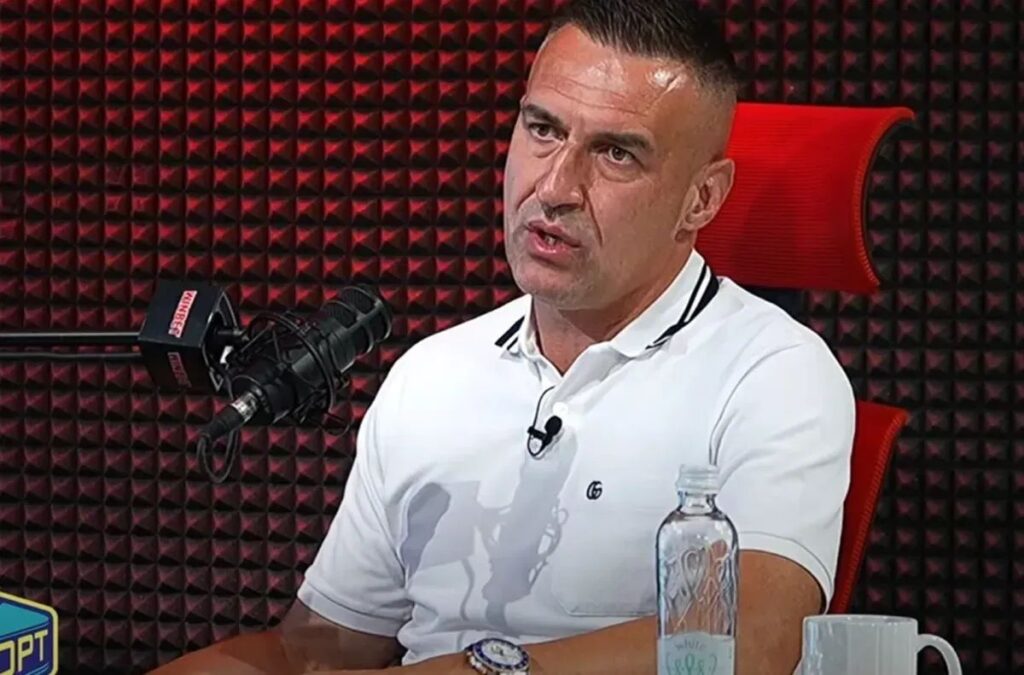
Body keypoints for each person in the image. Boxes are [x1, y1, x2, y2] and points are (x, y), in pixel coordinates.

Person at [153, 1, 855, 673]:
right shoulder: (432, 375)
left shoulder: (774, 374)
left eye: (615, 154)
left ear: (702, 198)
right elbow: (315, 654)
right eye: (543, 129)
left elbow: (754, 644)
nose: (555, 187)